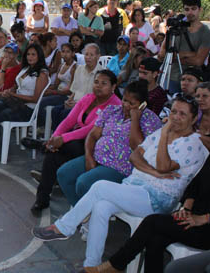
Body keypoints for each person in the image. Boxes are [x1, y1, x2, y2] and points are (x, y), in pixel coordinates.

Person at [33, 97, 210, 269]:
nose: (175, 117)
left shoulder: (193, 143)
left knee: (100, 187)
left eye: (182, 114)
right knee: (101, 207)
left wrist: (164, 136)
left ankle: (64, 227)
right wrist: (153, 171)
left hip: (157, 198)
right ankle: (91, 266)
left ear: (194, 118)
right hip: (135, 187)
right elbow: (134, 157)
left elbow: (164, 166)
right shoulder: (160, 133)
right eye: (173, 112)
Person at [95, 106, 210, 273]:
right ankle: (116, 265)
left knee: (152, 222)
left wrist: (202, 219)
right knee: (155, 240)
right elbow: (195, 186)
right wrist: (185, 208)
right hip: (190, 219)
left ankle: (115, 265)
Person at [57, 80, 162, 208]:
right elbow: (93, 135)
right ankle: (82, 213)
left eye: (132, 103)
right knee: (63, 174)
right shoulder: (112, 110)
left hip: (120, 166)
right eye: (124, 100)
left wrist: (135, 120)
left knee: (83, 183)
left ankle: (83, 214)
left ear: (143, 105)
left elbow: (137, 146)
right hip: (97, 157)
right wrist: (89, 157)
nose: (126, 105)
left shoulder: (150, 120)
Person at [29, 70, 121, 214]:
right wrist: (55, 137)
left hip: (95, 145)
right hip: (75, 142)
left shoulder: (115, 105)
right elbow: (68, 121)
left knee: (68, 146)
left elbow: (90, 130)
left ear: (113, 87)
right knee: (53, 157)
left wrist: (62, 139)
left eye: (104, 83)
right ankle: (42, 199)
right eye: (96, 82)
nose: (98, 86)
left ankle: (43, 146)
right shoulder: (88, 98)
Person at [0, 44, 49, 161]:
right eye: (28, 54)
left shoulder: (42, 74)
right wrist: (10, 91)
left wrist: (14, 94)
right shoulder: (25, 69)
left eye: (33, 54)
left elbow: (35, 99)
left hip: (28, 109)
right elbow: (17, 86)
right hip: (15, 102)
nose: (30, 57)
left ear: (39, 56)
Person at [158, 0, 210, 94]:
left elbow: (198, 61)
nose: (190, 12)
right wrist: (188, 54)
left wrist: (174, 56)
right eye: (187, 9)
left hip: (192, 81)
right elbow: (162, 55)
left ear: (200, 9)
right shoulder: (174, 28)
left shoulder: (206, 33)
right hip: (170, 78)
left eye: (193, 9)